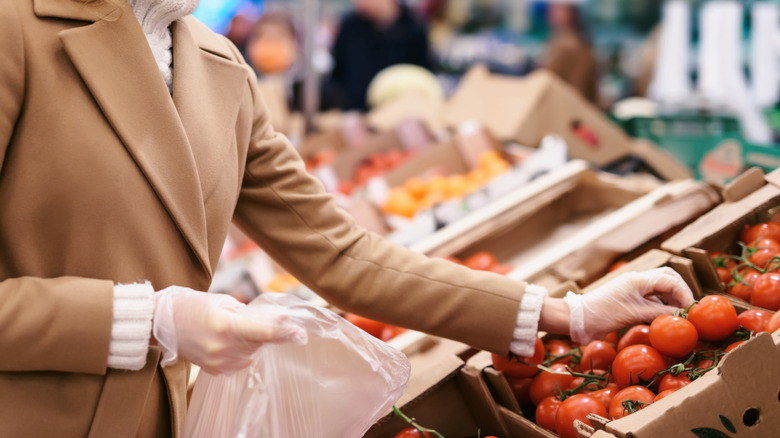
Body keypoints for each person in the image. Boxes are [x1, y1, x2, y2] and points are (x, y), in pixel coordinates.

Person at [0, 0, 693, 437]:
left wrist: (563, 314)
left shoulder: (221, 71)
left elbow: (343, 254)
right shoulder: (18, 30)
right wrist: (151, 321)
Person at [327, 0, 433, 111]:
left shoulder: (414, 29)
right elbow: (337, 78)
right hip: (353, 115)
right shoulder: (349, 27)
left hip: (397, 116)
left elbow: (423, 82)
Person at [544, 0, 599, 103]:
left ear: (570, 12)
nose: (550, 12)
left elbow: (548, 81)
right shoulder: (575, 40)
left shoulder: (569, 46)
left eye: (556, 8)